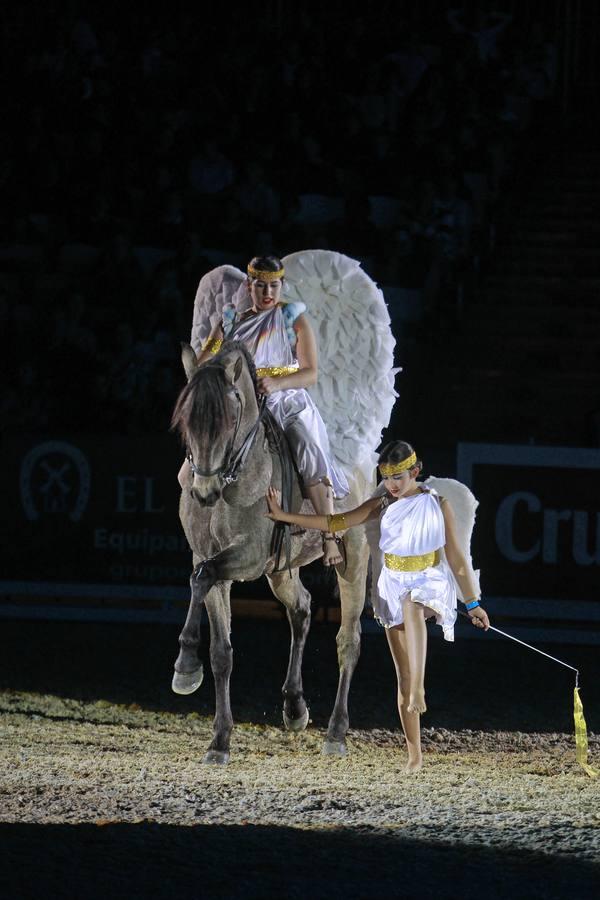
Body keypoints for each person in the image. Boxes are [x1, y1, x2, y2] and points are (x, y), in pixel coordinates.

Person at [265, 439, 490, 773]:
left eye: (399, 477)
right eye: (386, 477)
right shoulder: (381, 503)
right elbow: (336, 522)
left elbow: (456, 557)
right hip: (394, 580)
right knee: (401, 674)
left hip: (427, 578)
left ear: (415, 471)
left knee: (413, 607)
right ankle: (414, 755)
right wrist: (284, 515)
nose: (392, 484)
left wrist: (472, 602)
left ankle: (419, 688)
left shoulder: (436, 504)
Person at [179, 254, 349, 567]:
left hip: (287, 400)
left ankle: (329, 536)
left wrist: (276, 383)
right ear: (249, 285)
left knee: (309, 448)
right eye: (261, 286)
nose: (268, 293)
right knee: (193, 460)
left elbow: (310, 373)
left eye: (274, 286)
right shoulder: (230, 321)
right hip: (243, 402)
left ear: (282, 286)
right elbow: (206, 361)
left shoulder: (293, 318)